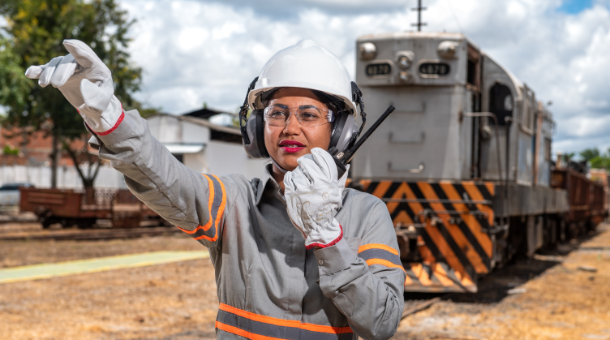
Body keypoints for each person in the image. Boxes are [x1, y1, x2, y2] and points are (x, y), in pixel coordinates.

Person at [25, 38, 405, 340]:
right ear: (258, 127)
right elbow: (164, 176)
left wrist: (327, 236)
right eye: (276, 113)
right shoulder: (235, 203)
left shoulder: (366, 214)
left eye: (308, 114)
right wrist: (106, 116)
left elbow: (381, 323)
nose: (290, 127)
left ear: (341, 130)